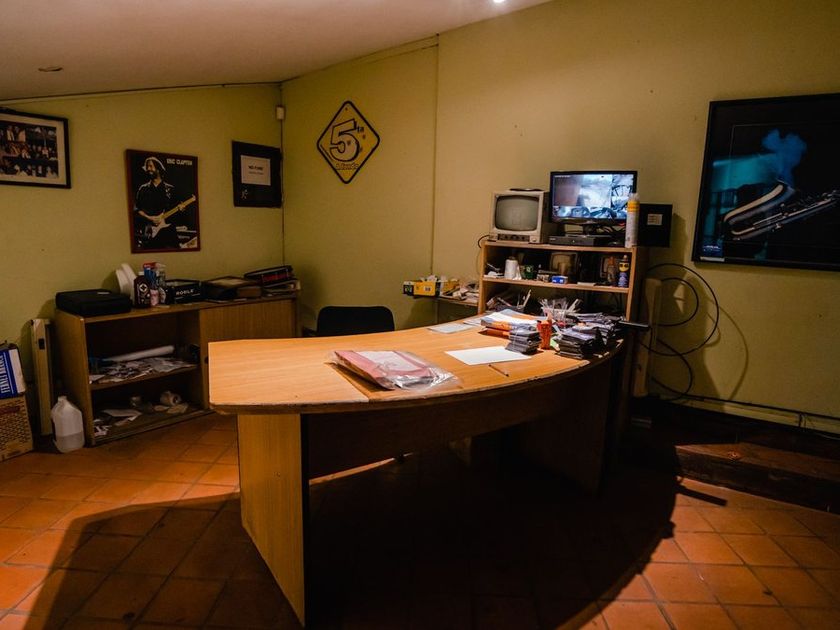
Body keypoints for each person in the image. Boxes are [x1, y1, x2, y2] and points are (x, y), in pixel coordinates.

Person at [134, 156, 181, 250]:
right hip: (149, 233)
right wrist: (150, 218)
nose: (148, 169)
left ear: (158, 169)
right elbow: (137, 209)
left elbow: (177, 209)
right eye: (147, 167)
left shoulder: (170, 189)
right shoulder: (143, 189)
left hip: (168, 233)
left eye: (151, 166)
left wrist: (181, 209)